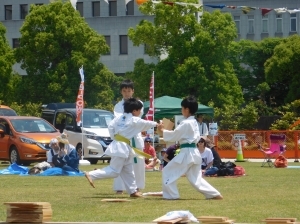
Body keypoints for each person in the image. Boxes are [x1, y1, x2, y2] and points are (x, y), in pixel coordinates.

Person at [84, 98, 158, 197]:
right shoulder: (133, 119)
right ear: (134, 111)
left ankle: (133, 191)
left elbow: (110, 127)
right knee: (114, 171)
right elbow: (146, 123)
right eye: (139, 110)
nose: (140, 112)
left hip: (121, 145)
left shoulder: (119, 118)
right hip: (121, 147)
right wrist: (157, 124)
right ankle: (91, 174)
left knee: (128, 169)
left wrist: (115, 137)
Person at [157, 95, 223, 200]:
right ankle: (214, 194)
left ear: (187, 109)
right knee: (196, 179)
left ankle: (172, 195)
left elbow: (175, 135)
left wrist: (162, 130)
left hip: (187, 153)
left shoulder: (186, 123)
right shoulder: (194, 122)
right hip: (194, 153)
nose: (181, 110)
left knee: (167, 171)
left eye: (182, 108)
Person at [113, 79, 145, 194]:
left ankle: (137, 187)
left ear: (133, 91)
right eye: (124, 91)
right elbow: (119, 120)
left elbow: (136, 118)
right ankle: (119, 188)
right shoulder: (118, 106)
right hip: (123, 138)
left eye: (129, 91)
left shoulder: (139, 103)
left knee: (137, 163)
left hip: (135, 137)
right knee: (120, 162)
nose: (127, 93)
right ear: (121, 92)